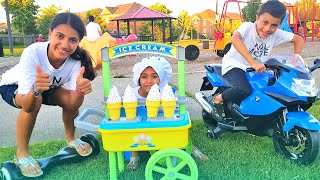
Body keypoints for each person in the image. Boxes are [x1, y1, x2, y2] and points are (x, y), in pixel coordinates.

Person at [0, 13, 96, 178]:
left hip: (47, 87)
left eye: (72, 40)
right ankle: (21, 154)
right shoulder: (33, 53)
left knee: (70, 101)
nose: (65, 44)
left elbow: (73, 104)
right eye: (60, 36)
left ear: (78, 42)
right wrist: (36, 90)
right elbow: (28, 105)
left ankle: (71, 139)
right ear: (50, 33)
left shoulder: (75, 60)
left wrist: (80, 90)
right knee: (35, 102)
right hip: (14, 87)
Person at [211, 0, 304, 121]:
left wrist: (295, 62)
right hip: (235, 66)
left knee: (270, 89)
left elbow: (299, 40)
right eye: (265, 22)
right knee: (244, 90)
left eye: (273, 25)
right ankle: (218, 99)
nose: (267, 28)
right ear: (257, 17)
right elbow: (235, 39)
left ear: (279, 25)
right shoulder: (247, 27)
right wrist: (253, 63)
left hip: (256, 69)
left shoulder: (276, 34)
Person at [127, 56, 208, 170]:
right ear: (138, 78)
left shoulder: (165, 94)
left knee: (181, 125)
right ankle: (134, 155)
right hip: (140, 127)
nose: (149, 81)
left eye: (154, 76)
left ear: (160, 78)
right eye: (144, 76)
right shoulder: (132, 94)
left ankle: (191, 147)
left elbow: (175, 113)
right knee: (132, 126)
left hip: (161, 125)